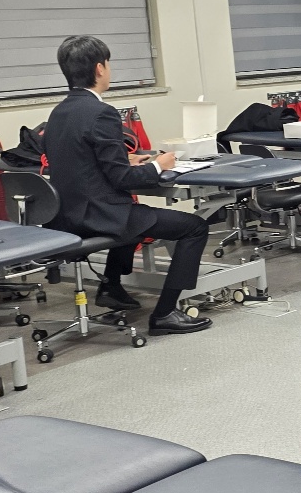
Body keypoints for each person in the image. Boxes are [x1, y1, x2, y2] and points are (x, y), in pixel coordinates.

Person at [42, 35, 212, 336]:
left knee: (137, 216)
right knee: (194, 227)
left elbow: (81, 158)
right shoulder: (102, 113)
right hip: (99, 215)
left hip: (65, 215)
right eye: (108, 64)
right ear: (99, 68)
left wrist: (125, 159)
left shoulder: (58, 113)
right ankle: (165, 313)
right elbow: (122, 180)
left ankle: (112, 287)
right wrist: (159, 165)